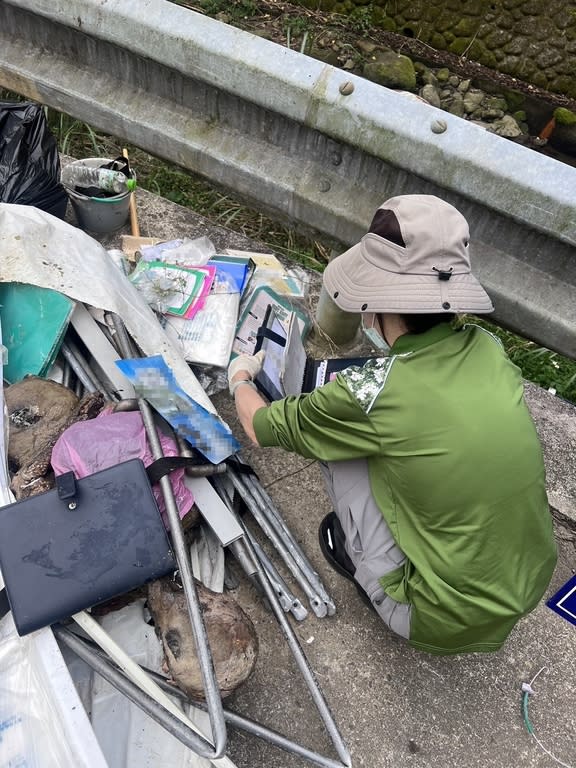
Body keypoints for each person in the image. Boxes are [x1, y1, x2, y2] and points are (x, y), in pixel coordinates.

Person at [227, 194, 557, 655]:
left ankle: (366, 568)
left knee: (330, 446)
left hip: (435, 617)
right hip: (523, 587)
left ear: (378, 301)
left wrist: (240, 374)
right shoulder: (487, 348)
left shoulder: (369, 394)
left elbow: (260, 425)